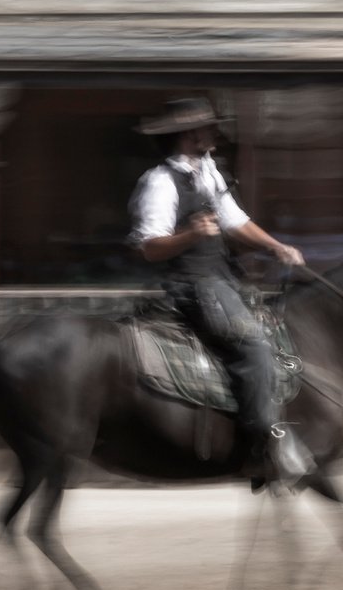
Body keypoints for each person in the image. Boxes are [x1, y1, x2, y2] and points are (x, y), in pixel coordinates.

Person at [128, 97, 314, 486]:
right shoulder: (159, 182)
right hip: (194, 286)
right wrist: (190, 234)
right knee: (255, 347)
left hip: (224, 281)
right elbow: (149, 246)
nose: (215, 132)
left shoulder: (209, 170)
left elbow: (235, 221)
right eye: (207, 127)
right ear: (188, 134)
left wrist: (275, 246)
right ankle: (266, 444)